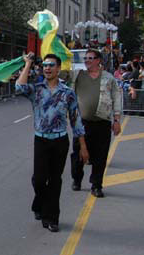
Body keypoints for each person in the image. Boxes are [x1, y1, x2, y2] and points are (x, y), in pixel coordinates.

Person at [16, 53, 89, 232]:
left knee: (55, 180)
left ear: (58, 69)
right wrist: (28, 64)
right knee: (40, 180)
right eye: (45, 65)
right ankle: (39, 203)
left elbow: (76, 119)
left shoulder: (67, 93)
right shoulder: (37, 89)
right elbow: (19, 87)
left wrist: (83, 146)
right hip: (41, 140)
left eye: (51, 65)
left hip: (60, 141)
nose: (47, 68)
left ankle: (52, 217)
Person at [69, 49, 123, 198]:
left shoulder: (108, 78)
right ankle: (77, 178)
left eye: (90, 58)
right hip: (82, 122)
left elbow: (116, 98)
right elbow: (63, 73)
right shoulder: (78, 75)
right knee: (78, 153)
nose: (87, 60)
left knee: (100, 155)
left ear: (98, 60)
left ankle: (96, 185)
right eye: (85, 58)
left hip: (102, 122)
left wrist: (117, 120)